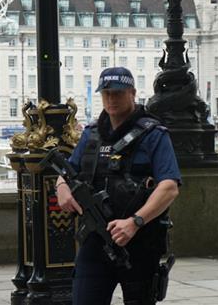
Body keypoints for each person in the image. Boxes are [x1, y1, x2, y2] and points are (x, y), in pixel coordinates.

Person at [56, 67, 181, 305]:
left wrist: (135, 222)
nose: (111, 99)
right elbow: (66, 172)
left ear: (132, 93)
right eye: (106, 94)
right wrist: (61, 188)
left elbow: (169, 187)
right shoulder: (91, 134)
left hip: (140, 243)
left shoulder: (153, 134)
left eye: (118, 93)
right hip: (94, 240)